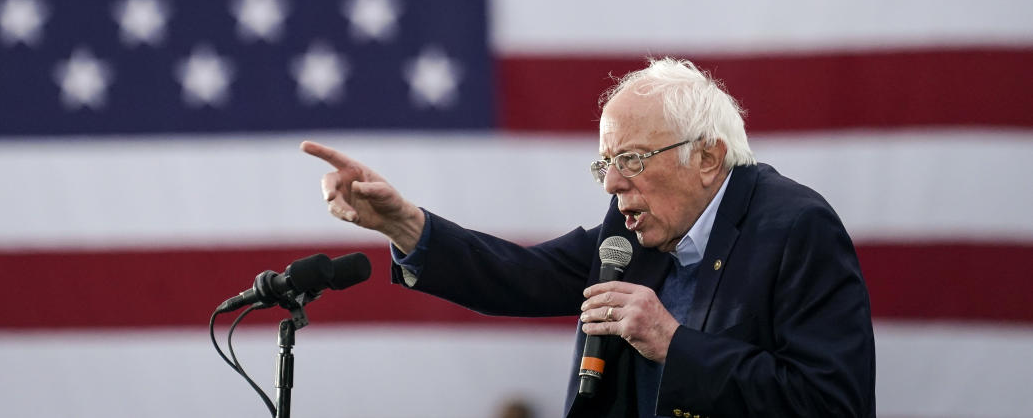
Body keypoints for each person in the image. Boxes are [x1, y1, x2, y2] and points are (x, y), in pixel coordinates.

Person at [302, 57, 876, 418]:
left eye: (631, 159)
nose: (612, 183)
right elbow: (520, 278)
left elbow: (832, 403)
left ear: (708, 157)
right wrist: (404, 224)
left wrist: (673, 343)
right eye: (604, 163)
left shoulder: (796, 228)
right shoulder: (629, 232)